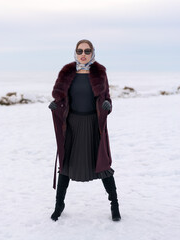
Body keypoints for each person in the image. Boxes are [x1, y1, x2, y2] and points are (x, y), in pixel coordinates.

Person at [48, 39, 121, 222]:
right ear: (75, 52)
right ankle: (59, 205)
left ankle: (114, 205)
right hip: (72, 126)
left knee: (103, 166)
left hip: (93, 126)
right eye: (80, 50)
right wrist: (56, 106)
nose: (83, 54)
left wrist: (107, 105)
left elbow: (107, 99)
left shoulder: (99, 72)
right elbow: (61, 98)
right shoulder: (67, 73)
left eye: (87, 51)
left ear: (92, 53)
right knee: (65, 166)